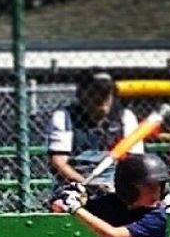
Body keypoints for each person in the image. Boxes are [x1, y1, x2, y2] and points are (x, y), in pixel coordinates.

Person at [46, 69, 144, 197]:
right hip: (76, 185)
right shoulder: (64, 116)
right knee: (65, 202)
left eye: (106, 93)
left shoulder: (125, 117)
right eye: (94, 92)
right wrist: (88, 185)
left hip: (115, 184)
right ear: (81, 94)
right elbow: (59, 163)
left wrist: (118, 186)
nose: (101, 98)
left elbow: (135, 162)